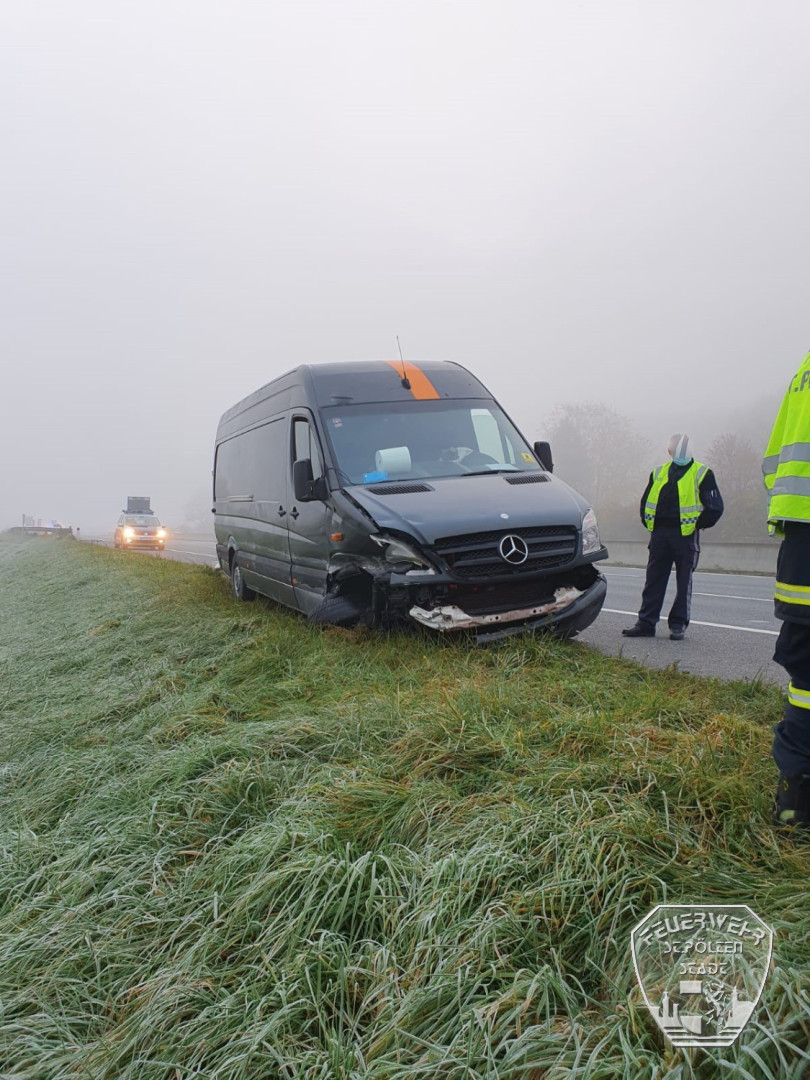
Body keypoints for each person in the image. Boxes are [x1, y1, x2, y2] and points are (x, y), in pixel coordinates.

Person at [764, 350, 810, 833]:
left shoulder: (803, 370)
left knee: (806, 676)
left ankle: (795, 799)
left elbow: (774, 464)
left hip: (801, 548)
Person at [622, 434, 724, 640]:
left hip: (685, 535)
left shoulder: (702, 473)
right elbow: (646, 502)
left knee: (683, 582)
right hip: (660, 534)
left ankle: (678, 624)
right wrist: (649, 523)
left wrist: (696, 525)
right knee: (653, 580)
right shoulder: (658, 472)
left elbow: (715, 507)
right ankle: (646, 624)